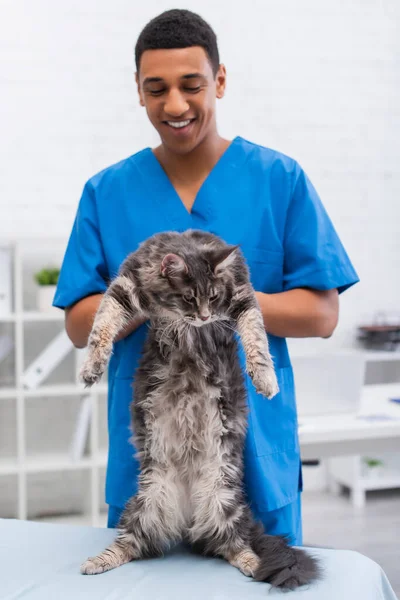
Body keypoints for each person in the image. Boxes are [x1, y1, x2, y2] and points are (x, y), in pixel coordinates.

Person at [53, 9, 359, 545]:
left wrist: (226, 302)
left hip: (254, 455)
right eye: (157, 89)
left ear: (219, 80)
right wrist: (156, 298)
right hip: (152, 461)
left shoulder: (278, 180)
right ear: (139, 91)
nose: (174, 105)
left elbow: (322, 313)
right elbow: (81, 327)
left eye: (191, 85)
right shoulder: (107, 192)